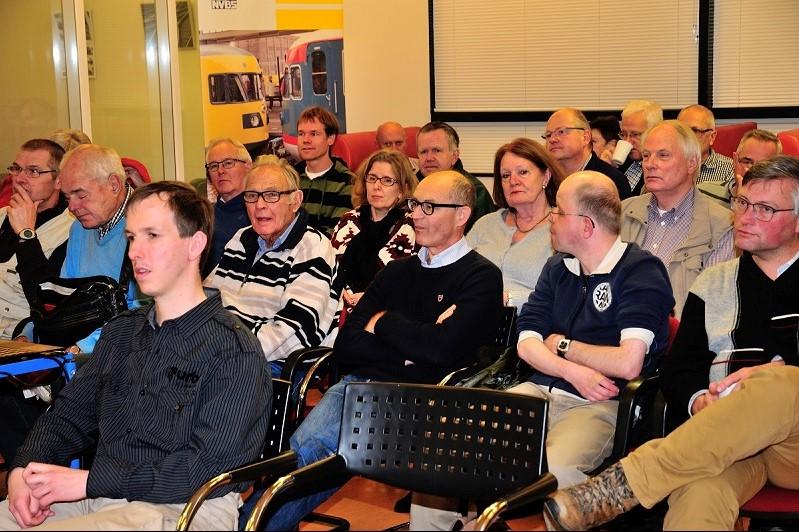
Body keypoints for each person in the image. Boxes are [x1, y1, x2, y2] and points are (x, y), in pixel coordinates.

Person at [543, 155, 799, 531]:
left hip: (792, 446)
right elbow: (679, 369)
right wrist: (699, 400)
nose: (745, 217)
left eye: (765, 209)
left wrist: (767, 379)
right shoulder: (713, 283)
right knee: (699, 493)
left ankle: (623, 485)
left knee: (779, 383)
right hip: (722, 438)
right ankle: (623, 488)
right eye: (743, 203)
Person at [0, 181, 271, 530]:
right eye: (131, 238)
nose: (134, 252)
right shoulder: (121, 333)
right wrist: (24, 469)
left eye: (152, 236)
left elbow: (206, 468)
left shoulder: (233, 350)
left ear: (195, 244)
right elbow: (67, 415)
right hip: (102, 496)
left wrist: (89, 481)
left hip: (188, 505)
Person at [411, 171, 673, 530]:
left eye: (559, 211)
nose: (551, 218)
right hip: (537, 391)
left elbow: (627, 363)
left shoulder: (640, 271)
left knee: (554, 472)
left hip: (598, 404)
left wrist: (562, 345)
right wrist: (572, 369)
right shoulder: (557, 266)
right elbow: (526, 342)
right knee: (449, 450)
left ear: (585, 226)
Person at [262, 170, 503, 530]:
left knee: (311, 457)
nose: (415, 215)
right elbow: (348, 345)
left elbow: (442, 352)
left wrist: (384, 322)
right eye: (414, 204)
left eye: (429, 206)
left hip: (426, 401)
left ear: (462, 215)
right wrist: (415, 346)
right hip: (359, 387)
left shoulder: (481, 276)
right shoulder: (395, 273)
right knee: (302, 458)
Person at [205, 156, 340, 376]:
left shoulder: (312, 247)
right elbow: (207, 298)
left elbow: (294, 331)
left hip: (275, 365)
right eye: (251, 195)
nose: (259, 205)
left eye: (271, 195)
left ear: (295, 201)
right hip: (223, 353)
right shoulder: (241, 239)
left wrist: (227, 351)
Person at [620, 120, 734, 317]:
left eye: (663, 155)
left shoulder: (721, 225)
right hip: (616, 327)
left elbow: (715, 307)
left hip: (681, 332)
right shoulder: (622, 212)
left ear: (692, 163)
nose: (650, 164)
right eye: (646, 156)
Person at [466, 137, 564, 311]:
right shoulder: (486, 224)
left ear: (546, 177)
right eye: (506, 175)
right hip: (472, 317)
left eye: (523, 172)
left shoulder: (562, 226)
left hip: (530, 321)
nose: (513, 181)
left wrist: (509, 299)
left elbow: (564, 294)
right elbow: (458, 272)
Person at [330, 148, 418, 315]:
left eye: (387, 181)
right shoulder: (348, 221)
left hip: (385, 314)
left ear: (402, 189)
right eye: (372, 178)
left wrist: (372, 298)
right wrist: (339, 290)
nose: (377, 186)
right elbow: (327, 267)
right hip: (337, 308)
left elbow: (413, 284)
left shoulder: (413, 226)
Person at [0, 139, 71, 339]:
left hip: (19, 335)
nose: (20, 179)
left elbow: (46, 301)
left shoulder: (71, 230)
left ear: (59, 181)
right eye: (16, 169)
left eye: (33, 171)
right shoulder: (2, 215)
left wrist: (26, 234)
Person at [416, 121, 495, 230]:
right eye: (423, 152)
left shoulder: (475, 192)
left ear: (454, 156)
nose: (429, 158)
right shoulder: (409, 186)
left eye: (437, 150)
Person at [545, 108, 632, 199]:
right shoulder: (545, 179)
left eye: (561, 132)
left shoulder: (611, 180)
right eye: (548, 135)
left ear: (585, 137)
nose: (552, 139)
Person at [294, 106, 355, 235]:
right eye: (301, 134)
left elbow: (337, 231)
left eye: (314, 134)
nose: (306, 140)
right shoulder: (289, 178)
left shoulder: (347, 182)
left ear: (331, 138)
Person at [203, 137, 253, 276]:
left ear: (248, 166)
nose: (220, 171)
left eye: (228, 163)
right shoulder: (203, 215)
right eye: (214, 166)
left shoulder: (259, 213)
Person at [698, 128, 782, 205]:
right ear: (735, 161)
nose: (754, 171)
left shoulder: (780, 205)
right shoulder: (703, 193)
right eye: (747, 162)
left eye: (763, 165)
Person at [603, 100, 663, 196]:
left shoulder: (660, 169)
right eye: (623, 134)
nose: (627, 141)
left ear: (654, 133)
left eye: (635, 134)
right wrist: (604, 169)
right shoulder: (619, 161)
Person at [677, 104, 735, 184]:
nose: (688, 136)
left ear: (712, 137)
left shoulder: (730, 170)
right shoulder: (668, 165)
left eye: (695, 131)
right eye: (683, 130)